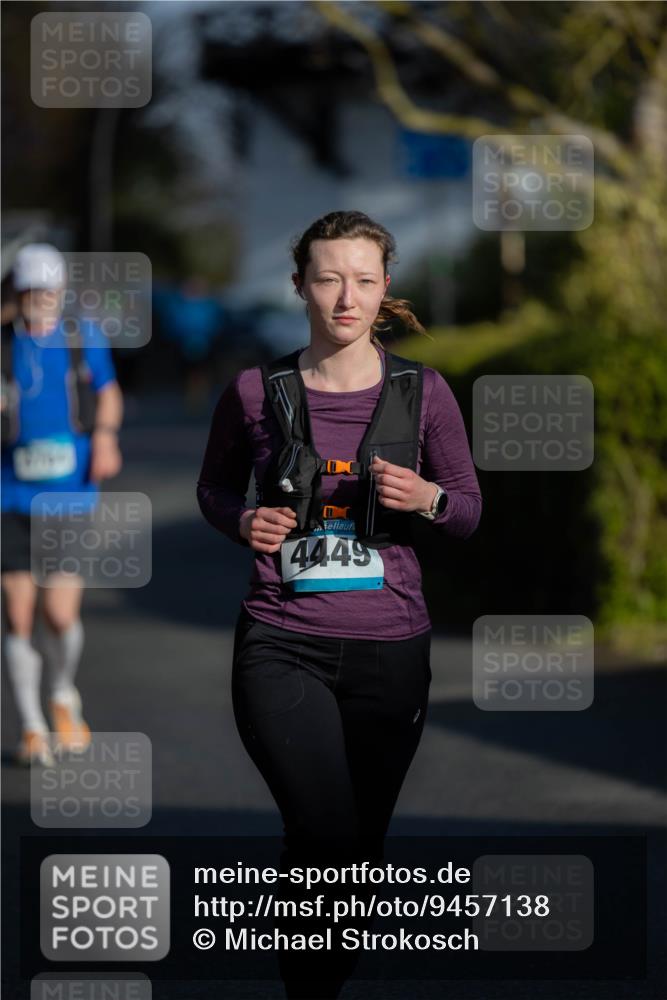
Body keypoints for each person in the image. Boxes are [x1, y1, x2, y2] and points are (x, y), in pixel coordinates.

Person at [197, 210, 481, 999]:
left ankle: (318, 968)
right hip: (281, 641)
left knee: (355, 848)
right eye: (327, 278)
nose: (344, 297)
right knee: (322, 829)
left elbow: (466, 510)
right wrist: (240, 520)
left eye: (362, 279)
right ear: (299, 286)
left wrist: (425, 498)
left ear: (385, 287)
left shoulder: (423, 393)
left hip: (392, 647)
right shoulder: (256, 391)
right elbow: (214, 487)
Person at [1, 244, 123, 766]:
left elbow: (108, 390)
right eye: (30, 292)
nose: (39, 301)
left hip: (68, 492)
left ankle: (61, 693)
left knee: (58, 611)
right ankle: (31, 725)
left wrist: (105, 437)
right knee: (18, 613)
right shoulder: (3, 345)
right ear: (16, 293)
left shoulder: (80, 338)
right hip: (8, 492)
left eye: (48, 292)